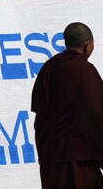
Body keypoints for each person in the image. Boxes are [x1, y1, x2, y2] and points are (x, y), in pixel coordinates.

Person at [31, 22, 103, 188]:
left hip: (52, 153)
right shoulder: (85, 70)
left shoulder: (49, 67)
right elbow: (97, 112)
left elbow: (39, 109)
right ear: (88, 45)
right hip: (80, 156)